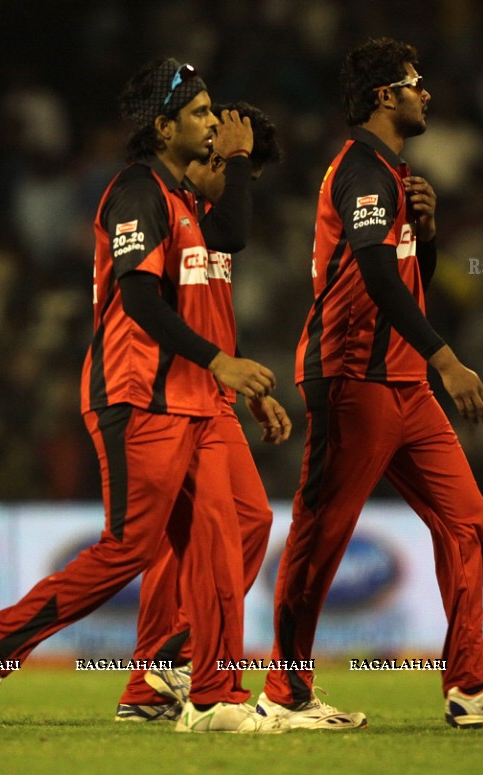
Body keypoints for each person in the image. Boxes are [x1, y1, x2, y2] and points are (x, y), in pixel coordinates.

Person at [0, 58, 286, 734]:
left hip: (197, 397)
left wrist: (230, 371)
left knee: (240, 527)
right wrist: (221, 360)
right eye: (200, 113)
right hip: (138, 394)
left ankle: (203, 688)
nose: (213, 124)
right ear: (164, 128)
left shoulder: (193, 201)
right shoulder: (137, 191)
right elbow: (137, 298)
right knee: (129, 546)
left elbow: (227, 249)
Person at [256, 37, 483, 730]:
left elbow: (401, 270)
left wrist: (425, 234)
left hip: (403, 382)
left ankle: (471, 684)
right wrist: (447, 359)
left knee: (465, 516)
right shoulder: (362, 171)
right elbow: (371, 273)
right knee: (321, 536)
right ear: (385, 95)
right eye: (416, 82)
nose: (428, 94)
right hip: (353, 378)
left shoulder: (392, 176)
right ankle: (284, 692)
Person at [114, 102, 292, 723]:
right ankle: (165, 672)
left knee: (247, 521)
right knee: (186, 539)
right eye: (238, 175)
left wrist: (247, 381)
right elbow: (159, 295)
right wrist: (237, 163)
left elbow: (211, 303)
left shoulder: (202, 215)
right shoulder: (170, 204)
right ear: (214, 158)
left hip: (213, 388)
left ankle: (164, 664)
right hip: (168, 391)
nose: (242, 193)